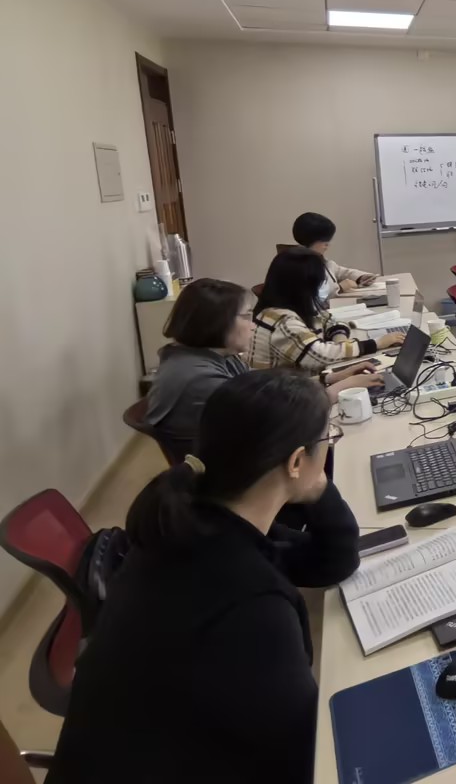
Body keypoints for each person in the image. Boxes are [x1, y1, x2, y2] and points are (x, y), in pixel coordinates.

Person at [49, 369, 361, 784]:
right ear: (296, 461)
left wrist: (318, 489)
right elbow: (305, 759)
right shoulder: (250, 604)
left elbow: (331, 561)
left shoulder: (190, 522)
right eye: (327, 439)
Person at [147, 278, 382, 457]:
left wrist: (330, 379)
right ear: (216, 323)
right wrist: (339, 390)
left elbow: (265, 393)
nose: (252, 325)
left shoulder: (211, 356)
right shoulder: (200, 379)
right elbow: (274, 416)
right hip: (236, 471)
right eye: (245, 316)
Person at [251, 248, 405, 373]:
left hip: (298, 384)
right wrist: (377, 343)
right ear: (301, 286)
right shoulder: (282, 321)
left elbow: (328, 319)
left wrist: (339, 337)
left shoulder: (295, 306)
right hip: (280, 395)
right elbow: (320, 355)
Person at [292, 211, 375, 302]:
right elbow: (317, 295)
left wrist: (360, 277)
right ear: (310, 239)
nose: (328, 244)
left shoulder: (320, 259)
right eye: (324, 240)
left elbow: (339, 271)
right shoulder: (297, 264)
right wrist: (340, 287)